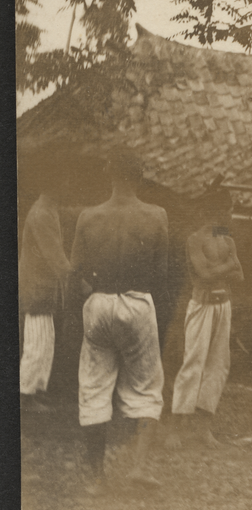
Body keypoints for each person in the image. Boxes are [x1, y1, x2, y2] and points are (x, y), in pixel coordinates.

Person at [70, 146, 169, 490]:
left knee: (94, 387)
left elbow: (75, 270)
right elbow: (161, 272)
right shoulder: (156, 215)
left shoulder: (88, 216)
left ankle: (96, 478)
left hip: (98, 301)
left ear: (109, 173)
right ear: (140, 176)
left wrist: (94, 294)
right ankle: (138, 467)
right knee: (147, 386)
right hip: (138, 300)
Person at [165, 189, 243, 449]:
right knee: (192, 364)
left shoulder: (226, 238)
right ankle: (175, 429)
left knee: (219, 366)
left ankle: (203, 429)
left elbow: (239, 275)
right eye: (228, 210)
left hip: (223, 305)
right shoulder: (195, 239)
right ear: (217, 211)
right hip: (202, 304)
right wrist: (228, 266)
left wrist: (220, 269)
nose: (230, 215)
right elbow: (204, 274)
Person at [19, 156, 72, 413]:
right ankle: (25, 395)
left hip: (44, 289)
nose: (67, 185)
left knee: (45, 342)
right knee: (37, 344)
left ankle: (37, 390)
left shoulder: (49, 209)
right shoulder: (42, 213)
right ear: (53, 184)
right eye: (64, 181)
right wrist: (77, 281)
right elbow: (56, 257)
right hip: (37, 289)